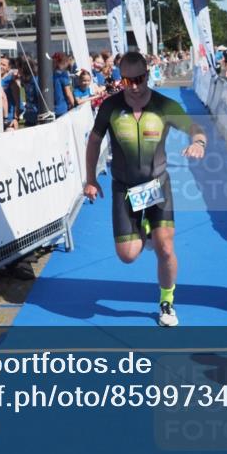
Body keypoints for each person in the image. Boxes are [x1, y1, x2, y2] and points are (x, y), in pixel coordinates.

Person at [83, 52, 207, 327]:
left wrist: (199, 142)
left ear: (147, 76)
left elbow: (196, 127)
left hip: (157, 185)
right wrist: (90, 179)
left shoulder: (164, 105)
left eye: (139, 79)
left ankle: (167, 302)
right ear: (121, 79)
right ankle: (145, 230)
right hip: (123, 188)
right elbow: (93, 142)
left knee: (165, 247)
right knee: (127, 256)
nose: (135, 86)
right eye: (128, 80)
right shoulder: (110, 107)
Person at [52, 52, 75, 117]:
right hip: (62, 108)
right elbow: (68, 93)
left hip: (52, 108)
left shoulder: (51, 74)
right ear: (65, 62)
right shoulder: (63, 75)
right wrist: (74, 104)